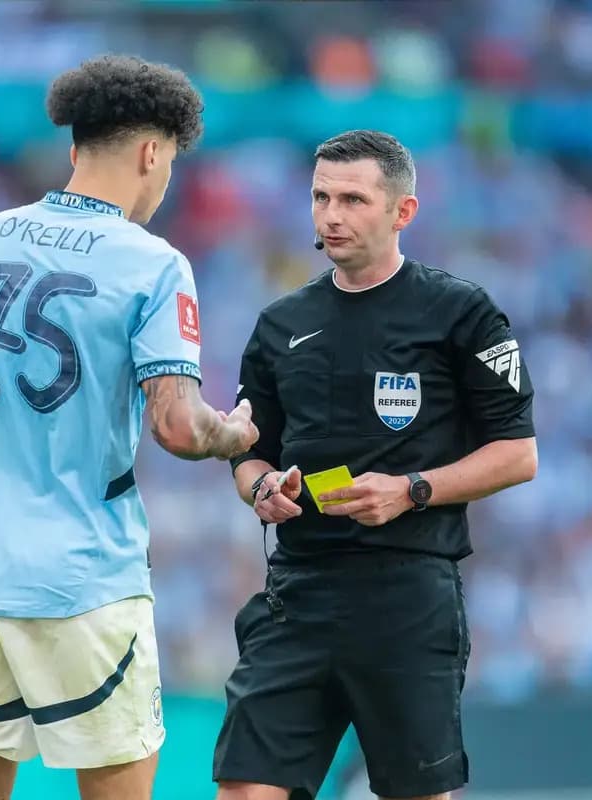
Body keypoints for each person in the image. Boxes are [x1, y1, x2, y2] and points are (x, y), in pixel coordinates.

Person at [0, 55, 258, 800]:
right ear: (153, 152)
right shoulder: (153, 265)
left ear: (74, 148)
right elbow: (179, 427)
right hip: (84, 582)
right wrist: (236, 433)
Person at [212, 129, 538, 800]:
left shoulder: (460, 312)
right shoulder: (280, 324)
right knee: (245, 788)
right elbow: (250, 452)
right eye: (321, 197)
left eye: (354, 199)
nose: (332, 215)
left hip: (408, 591)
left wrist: (413, 490)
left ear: (402, 211)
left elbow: (518, 454)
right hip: (296, 591)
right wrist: (262, 488)